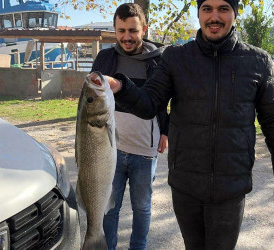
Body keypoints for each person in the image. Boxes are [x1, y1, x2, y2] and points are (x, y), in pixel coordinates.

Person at [100, 0, 274, 249]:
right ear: (199, 14)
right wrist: (120, 87)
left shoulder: (256, 61)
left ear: (234, 14)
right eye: (207, 9)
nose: (214, 16)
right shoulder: (176, 58)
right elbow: (149, 103)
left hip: (231, 184)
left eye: (223, 9)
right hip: (186, 183)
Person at [90, 3, 169, 250]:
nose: (126, 36)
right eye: (121, 30)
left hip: (145, 150)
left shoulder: (159, 61)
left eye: (132, 30)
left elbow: (166, 100)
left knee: (142, 208)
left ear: (143, 29)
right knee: (109, 208)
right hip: (110, 150)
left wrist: (166, 131)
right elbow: (92, 98)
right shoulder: (105, 58)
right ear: (114, 29)